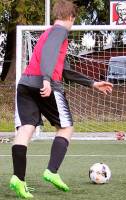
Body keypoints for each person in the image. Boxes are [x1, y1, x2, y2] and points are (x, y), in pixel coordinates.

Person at [10, 0, 113, 198]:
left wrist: (92, 83)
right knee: (66, 127)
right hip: (45, 84)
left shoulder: (47, 34)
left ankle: (18, 179)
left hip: (25, 84)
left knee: (26, 129)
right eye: (74, 20)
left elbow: (64, 68)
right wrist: (47, 79)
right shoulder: (59, 31)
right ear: (71, 17)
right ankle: (51, 171)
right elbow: (49, 57)